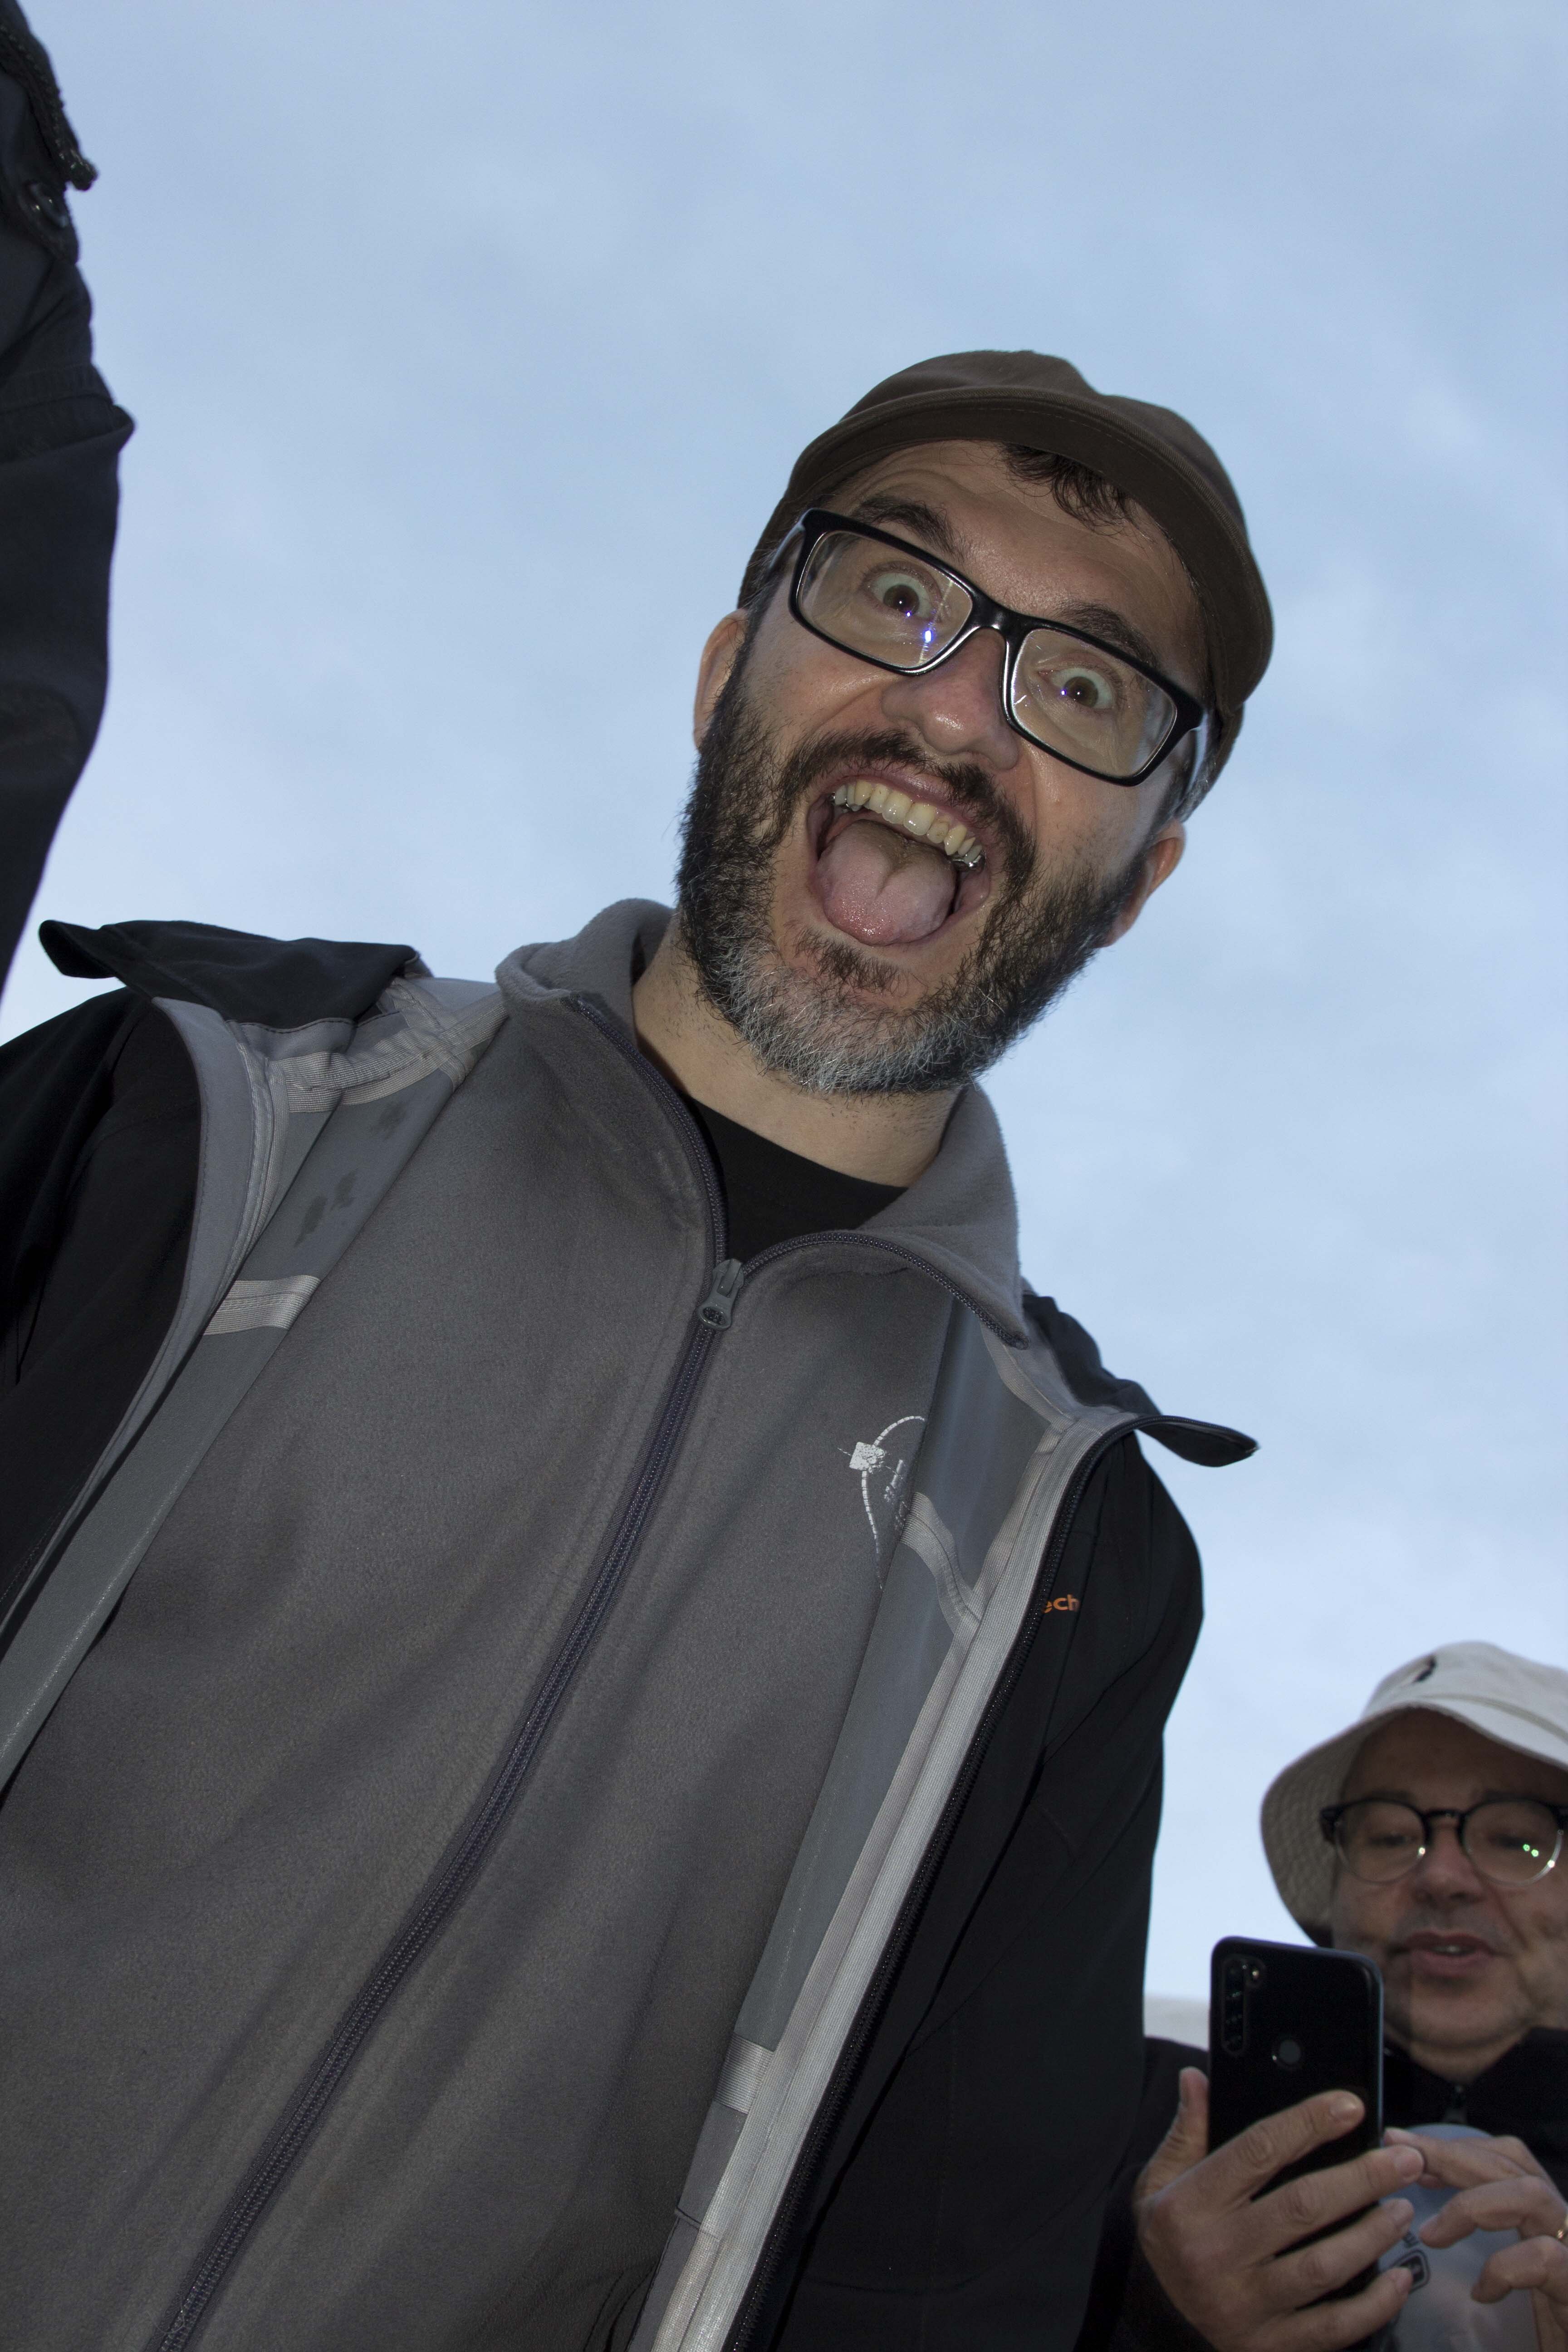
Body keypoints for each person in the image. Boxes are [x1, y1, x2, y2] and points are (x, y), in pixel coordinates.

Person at [0, 11, 1275, 2348]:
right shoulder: (182, 1118)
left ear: (1141, 878)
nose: (956, 708)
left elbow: (930, 2294)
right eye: (893, 595)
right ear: (722, 669)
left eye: (1087, 691)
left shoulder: (1070, 1567)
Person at [1083, 1642, 1568, 2352]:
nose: (1443, 1878)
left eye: (1517, 1840)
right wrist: (1152, 2308)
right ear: (1337, 1891)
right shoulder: (1124, 2107)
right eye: (1391, 1836)